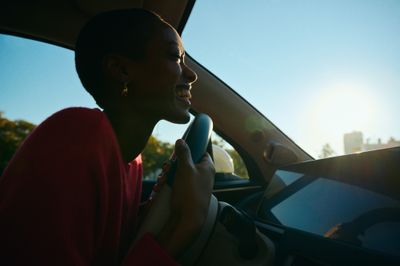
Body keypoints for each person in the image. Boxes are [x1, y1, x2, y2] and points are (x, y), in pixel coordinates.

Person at [0, 8, 215, 265]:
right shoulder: (76, 137)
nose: (191, 75)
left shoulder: (131, 161)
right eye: (174, 57)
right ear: (121, 70)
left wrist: (155, 209)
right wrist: (188, 221)